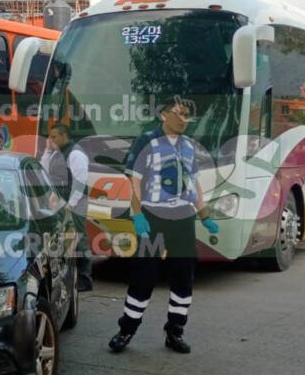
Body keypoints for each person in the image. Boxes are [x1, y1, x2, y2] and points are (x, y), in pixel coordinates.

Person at [108, 96, 219, 354]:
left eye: (186, 115)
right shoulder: (146, 141)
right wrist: (138, 216)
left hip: (183, 219)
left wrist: (204, 215)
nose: (183, 119)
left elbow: (194, 183)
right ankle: (126, 330)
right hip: (153, 218)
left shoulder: (189, 146)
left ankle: (175, 332)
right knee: (144, 275)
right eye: (178, 113)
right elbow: (134, 181)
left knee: (183, 277)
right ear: (163, 115)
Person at [41, 123, 93, 292]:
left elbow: (80, 181)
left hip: (75, 202)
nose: (50, 140)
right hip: (61, 202)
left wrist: (71, 204)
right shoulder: (56, 153)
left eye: (54, 137)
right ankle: (68, 277)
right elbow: (43, 170)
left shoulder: (76, 153)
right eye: (49, 137)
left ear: (64, 136)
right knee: (63, 238)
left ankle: (85, 279)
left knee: (78, 237)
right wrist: (47, 151)